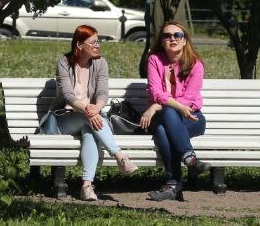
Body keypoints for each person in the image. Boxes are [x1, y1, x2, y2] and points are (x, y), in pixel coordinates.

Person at [45, 25, 138, 201]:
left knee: (90, 134)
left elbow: (102, 93)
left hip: (90, 119)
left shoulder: (100, 63)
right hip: (63, 119)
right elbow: (68, 96)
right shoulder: (64, 62)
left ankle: (87, 186)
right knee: (88, 119)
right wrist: (89, 110)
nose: (98, 45)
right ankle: (120, 156)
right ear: (79, 45)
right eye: (93, 42)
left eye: (98, 41)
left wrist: (97, 107)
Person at [139, 20, 207, 201]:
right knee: (165, 120)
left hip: (192, 118)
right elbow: (155, 91)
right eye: (167, 35)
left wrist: (156, 105)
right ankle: (189, 158)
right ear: (161, 41)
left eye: (178, 35)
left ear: (185, 40)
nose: (173, 38)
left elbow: (189, 99)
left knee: (166, 119)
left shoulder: (195, 64)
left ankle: (173, 184)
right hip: (161, 119)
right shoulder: (154, 60)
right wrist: (164, 104)